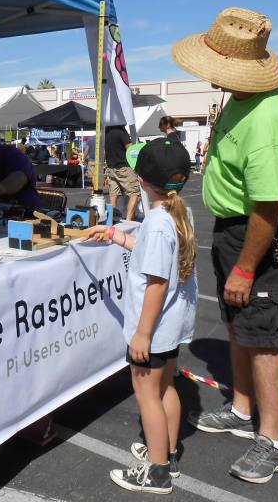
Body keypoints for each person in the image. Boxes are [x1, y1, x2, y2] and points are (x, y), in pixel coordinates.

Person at [172, 7, 278, 484]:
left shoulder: (266, 119)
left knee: (260, 337)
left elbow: (267, 210)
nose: (212, 78)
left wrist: (248, 267)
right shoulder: (242, 98)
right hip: (232, 230)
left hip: (256, 233)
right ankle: (242, 409)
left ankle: (271, 442)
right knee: (236, 325)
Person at [84, 137, 197, 495]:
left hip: (156, 329)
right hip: (173, 325)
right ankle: (168, 451)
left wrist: (142, 334)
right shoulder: (177, 212)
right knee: (165, 389)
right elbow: (153, 254)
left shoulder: (160, 222)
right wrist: (117, 235)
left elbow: (157, 282)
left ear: (142, 181)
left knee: (147, 395)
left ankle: (157, 471)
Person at [105, 124, 140, 221]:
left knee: (114, 194)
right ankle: (128, 220)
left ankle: (111, 219)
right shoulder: (121, 132)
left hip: (111, 168)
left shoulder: (106, 132)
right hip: (124, 167)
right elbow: (130, 150)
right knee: (134, 194)